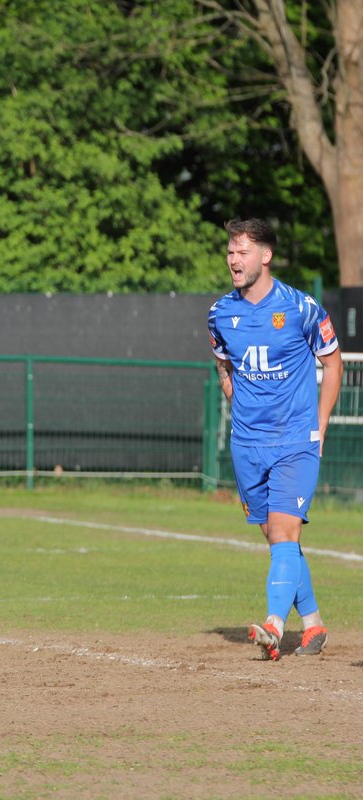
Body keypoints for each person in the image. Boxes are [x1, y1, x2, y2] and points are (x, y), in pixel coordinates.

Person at [208, 218, 343, 660]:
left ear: (265, 256)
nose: (233, 259)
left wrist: (320, 424)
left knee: (285, 531)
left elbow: (334, 363)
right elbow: (224, 366)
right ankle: (314, 625)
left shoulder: (301, 308)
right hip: (247, 444)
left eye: (242, 251)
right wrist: (238, 401)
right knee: (275, 535)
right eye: (231, 251)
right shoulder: (219, 313)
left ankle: (274, 624)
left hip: (295, 440)